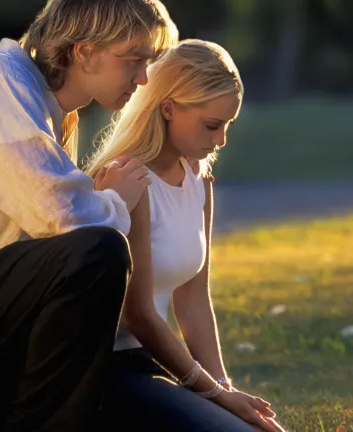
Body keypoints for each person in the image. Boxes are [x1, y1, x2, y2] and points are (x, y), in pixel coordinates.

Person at [0, 0, 178, 430]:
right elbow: (63, 216)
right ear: (83, 51)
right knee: (99, 249)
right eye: (133, 60)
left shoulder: (51, 110)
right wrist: (114, 200)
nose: (143, 78)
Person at [85, 39, 287, 432]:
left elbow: (193, 300)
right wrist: (213, 394)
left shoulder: (198, 179)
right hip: (106, 370)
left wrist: (223, 389)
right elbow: (139, 315)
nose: (222, 140)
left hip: (150, 363)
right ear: (167, 109)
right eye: (212, 125)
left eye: (228, 125)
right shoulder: (129, 182)